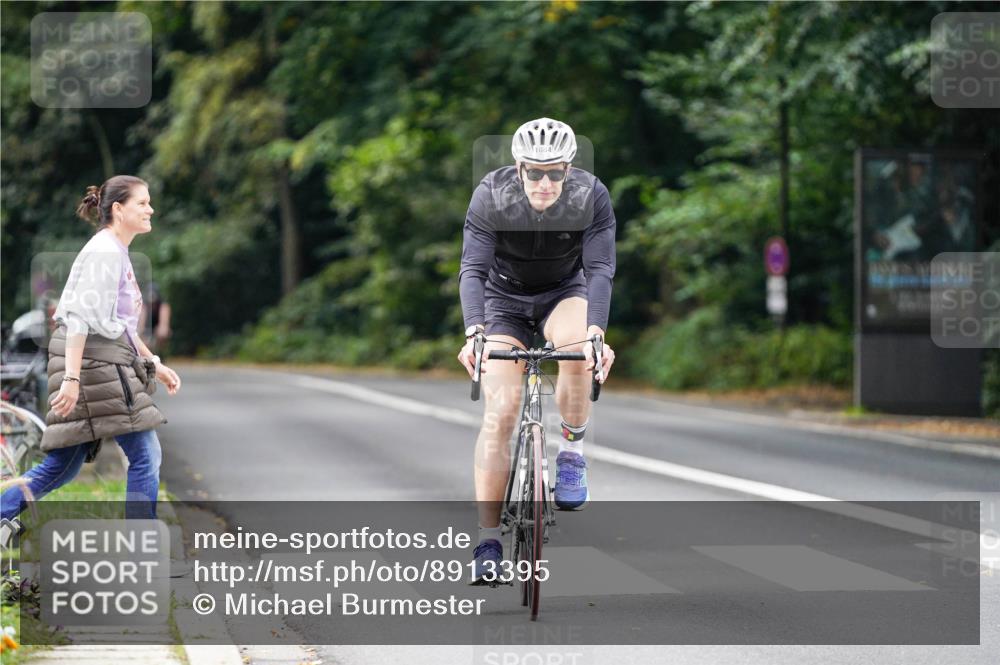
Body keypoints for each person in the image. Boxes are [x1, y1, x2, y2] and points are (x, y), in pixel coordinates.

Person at [457, 118, 616, 584]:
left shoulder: (592, 196)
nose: (545, 183)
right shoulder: (490, 195)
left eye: (556, 173)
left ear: (569, 169)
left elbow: (601, 268)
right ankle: (488, 541)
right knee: (500, 412)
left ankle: (572, 451)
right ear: (518, 168)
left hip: (564, 291)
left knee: (578, 350)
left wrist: (597, 332)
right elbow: (471, 268)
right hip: (502, 299)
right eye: (534, 172)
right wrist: (474, 332)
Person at [0, 175, 181, 542]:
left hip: (99, 363)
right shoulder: (104, 253)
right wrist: (71, 378)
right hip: (93, 366)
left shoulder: (117, 251)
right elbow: (79, 317)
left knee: (61, 468)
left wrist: (154, 363)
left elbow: (123, 326)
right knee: (146, 454)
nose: (151, 209)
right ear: (118, 209)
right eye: (142, 203)